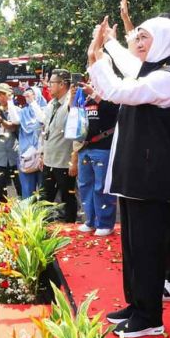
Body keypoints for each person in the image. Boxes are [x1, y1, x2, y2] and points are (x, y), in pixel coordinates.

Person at [87, 15, 170, 338]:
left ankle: (150, 317)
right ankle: (137, 305)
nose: (139, 43)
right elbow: (128, 68)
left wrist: (98, 58)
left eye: (145, 38)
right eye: (138, 37)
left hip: (149, 176)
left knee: (146, 248)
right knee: (132, 246)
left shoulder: (167, 78)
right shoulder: (151, 70)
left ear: (165, 41)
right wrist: (108, 46)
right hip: (135, 175)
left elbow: (118, 90)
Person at [73, 80, 118, 237]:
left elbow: (114, 112)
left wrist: (94, 94)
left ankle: (105, 223)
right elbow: (74, 118)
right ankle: (90, 221)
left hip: (103, 147)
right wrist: (73, 98)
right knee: (85, 185)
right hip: (84, 147)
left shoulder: (111, 94)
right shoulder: (83, 98)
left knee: (101, 187)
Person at [40, 69, 78, 223]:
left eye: (52, 83)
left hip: (64, 162)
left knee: (68, 198)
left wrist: (74, 160)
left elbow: (77, 133)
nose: (48, 86)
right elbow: (46, 131)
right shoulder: (51, 104)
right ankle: (44, 232)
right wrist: (42, 154)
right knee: (45, 200)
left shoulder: (72, 102)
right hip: (49, 159)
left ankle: (72, 231)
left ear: (62, 84)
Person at [18, 87, 46, 198]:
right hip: (27, 156)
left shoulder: (46, 109)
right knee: (28, 192)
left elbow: (42, 121)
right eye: (27, 94)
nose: (28, 97)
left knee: (44, 191)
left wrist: (34, 103)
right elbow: (15, 120)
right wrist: (10, 101)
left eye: (32, 94)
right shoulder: (23, 112)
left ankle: (44, 215)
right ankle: (29, 215)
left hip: (43, 156)